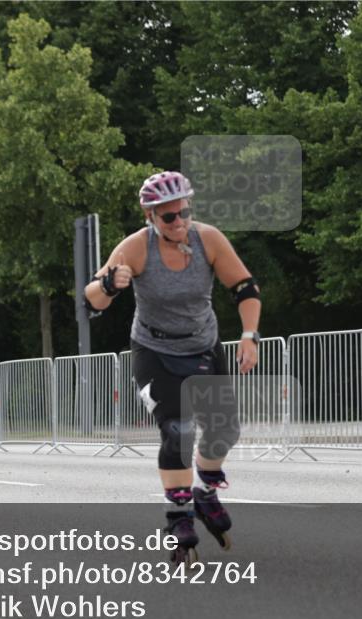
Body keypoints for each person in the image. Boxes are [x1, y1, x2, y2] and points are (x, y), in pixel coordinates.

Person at [83, 171, 261, 564]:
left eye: (184, 212)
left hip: (202, 346)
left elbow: (244, 287)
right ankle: (178, 515)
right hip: (154, 351)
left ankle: (205, 493)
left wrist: (249, 335)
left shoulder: (208, 238)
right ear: (150, 217)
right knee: (178, 429)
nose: (179, 222)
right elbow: (91, 299)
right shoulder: (134, 248)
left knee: (224, 430)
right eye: (168, 217)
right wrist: (111, 284)